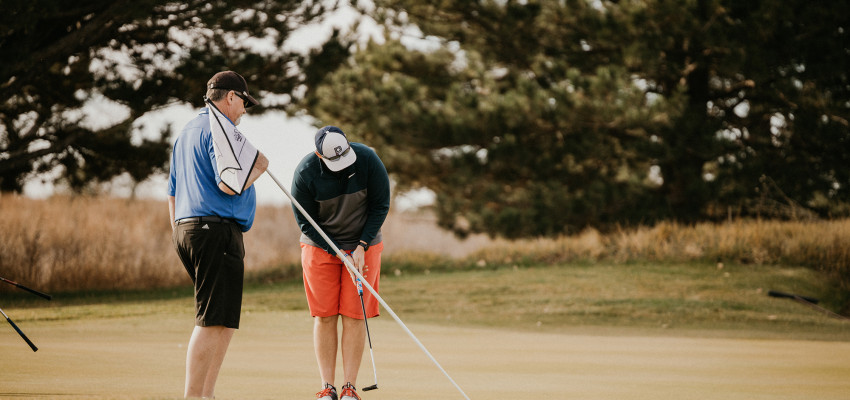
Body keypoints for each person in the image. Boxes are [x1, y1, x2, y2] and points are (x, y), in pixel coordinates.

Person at [168, 70, 269, 399]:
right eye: (243, 103)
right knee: (211, 320)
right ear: (230, 97)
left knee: (222, 320)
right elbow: (229, 184)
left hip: (189, 229)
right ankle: (194, 396)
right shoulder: (219, 128)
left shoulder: (187, 130)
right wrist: (259, 167)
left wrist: (180, 234)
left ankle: (206, 395)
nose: (243, 111)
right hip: (215, 230)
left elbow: (171, 192)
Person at [291, 126, 391, 400]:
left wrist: (361, 245)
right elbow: (305, 223)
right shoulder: (305, 173)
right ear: (319, 156)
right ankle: (328, 387)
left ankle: (349, 388)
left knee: (354, 315)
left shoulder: (368, 159)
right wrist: (336, 251)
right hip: (322, 248)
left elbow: (381, 205)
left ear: (348, 145)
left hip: (363, 244)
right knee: (324, 316)